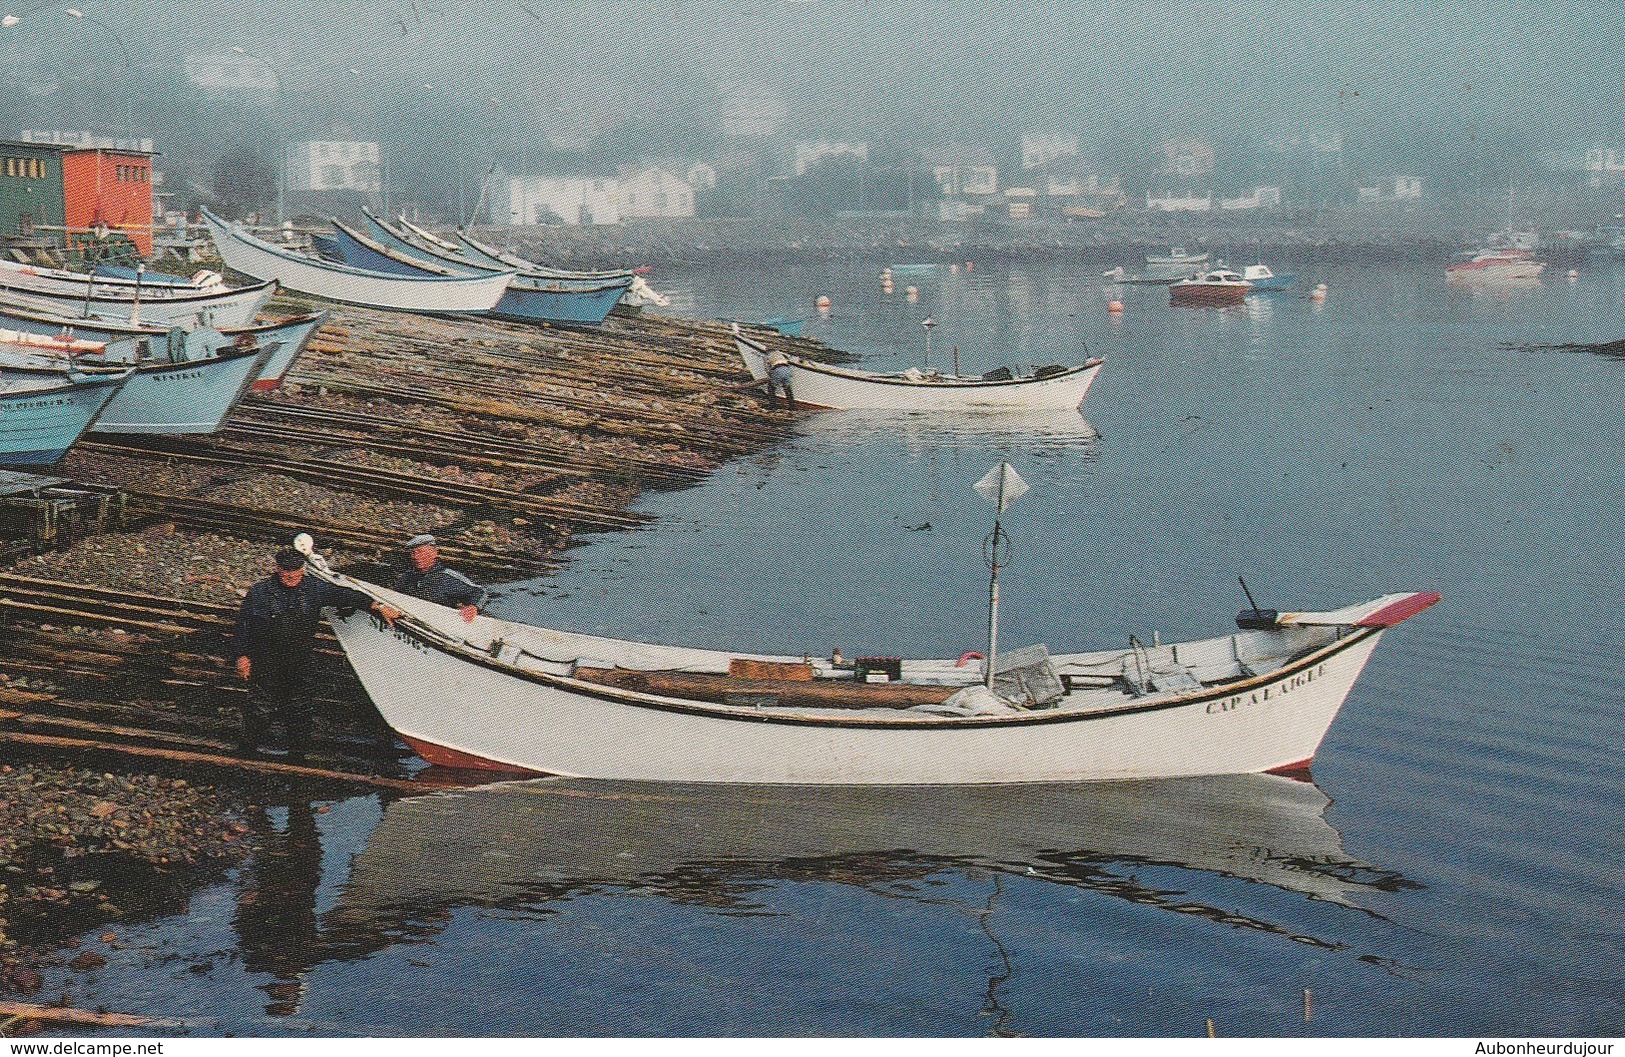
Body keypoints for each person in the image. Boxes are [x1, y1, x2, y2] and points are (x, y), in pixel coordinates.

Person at [233, 546, 401, 758]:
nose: (291, 575)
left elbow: (346, 595)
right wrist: (242, 656)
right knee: (260, 707)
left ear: (303, 569)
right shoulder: (259, 592)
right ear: (277, 569)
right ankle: (245, 753)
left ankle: (297, 756)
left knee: (300, 709)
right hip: (267, 658)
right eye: (286, 570)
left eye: (295, 570)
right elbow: (242, 627)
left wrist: (376, 606)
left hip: (300, 659)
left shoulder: (314, 589)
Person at [393, 533, 487, 622]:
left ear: (434, 553)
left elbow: (480, 592)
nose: (416, 557)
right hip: (410, 621)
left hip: (440, 624)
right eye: (413, 553)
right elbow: (393, 597)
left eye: (420, 552)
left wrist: (473, 607)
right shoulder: (406, 577)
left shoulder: (448, 577)